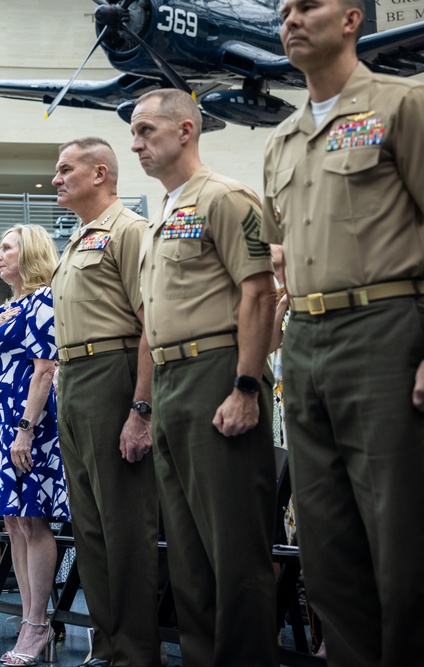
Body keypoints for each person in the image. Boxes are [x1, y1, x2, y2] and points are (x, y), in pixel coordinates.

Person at [263, 0, 424, 663]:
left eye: (308, 5)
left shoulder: (402, 105)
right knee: (326, 538)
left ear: (353, 18)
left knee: (401, 533)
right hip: (305, 338)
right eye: (283, 11)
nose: (291, 18)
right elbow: (278, 253)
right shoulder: (282, 139)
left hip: (385, 328)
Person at [131, 89, 278, 666]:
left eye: (147, 131)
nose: (137, 144)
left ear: (186, 130)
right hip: (170, 382)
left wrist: (246, 386)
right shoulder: (165, 212)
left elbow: (259, 292)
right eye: (135, 134)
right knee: (189, 556)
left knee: (234, 552)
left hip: (219, 371)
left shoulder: (225, 197)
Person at [50, 137, 159, 667]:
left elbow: (150, 325)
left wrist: (141, 409)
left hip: (113, 373)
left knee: (125, 523)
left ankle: (138, 651)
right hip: (71, 377)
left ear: (99, 173)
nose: (56, 178)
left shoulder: (129, 231)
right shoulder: (75, 240)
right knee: (89, 526)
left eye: (66, 169)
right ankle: (108, 644)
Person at [0, 224, 69, 666]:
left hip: (31, 422)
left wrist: (26, 428)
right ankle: (29, 617)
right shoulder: (10, 307)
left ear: (30, 254)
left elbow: (45, 369)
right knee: (13, 524)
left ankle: (38, 624)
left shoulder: (45, 299)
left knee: (33, 521)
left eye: (6, 248)